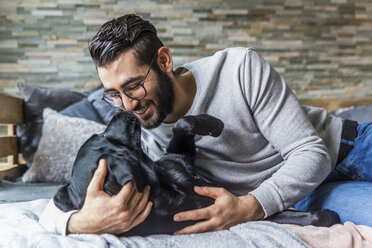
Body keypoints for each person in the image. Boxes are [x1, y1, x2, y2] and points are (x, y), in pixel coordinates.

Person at [39, 14, 372, 235]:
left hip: (350, 149)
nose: (128, 105)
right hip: (298, 195)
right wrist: (82, 222)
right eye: (113, 94)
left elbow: (310, 153)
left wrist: (250, 206)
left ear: (164, 61)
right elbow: (49, 211)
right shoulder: (135, 133)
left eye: (133, 87)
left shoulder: (239, 68)